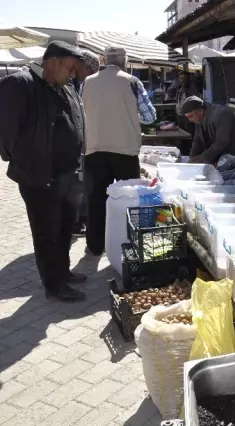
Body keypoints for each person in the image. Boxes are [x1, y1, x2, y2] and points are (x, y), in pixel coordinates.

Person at [0, 41, 89, 302]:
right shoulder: (20, 84)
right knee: (46, 233)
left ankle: (63, 272)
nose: (72, 75)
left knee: (64, 228)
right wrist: (24, 162)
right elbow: (5, 132)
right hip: (39, 178)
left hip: (67, 175)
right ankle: (53, 285)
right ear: (53, 63)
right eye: (70, 68)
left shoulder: (64, 86)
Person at [82, 46, 156, 256]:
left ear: (104, 60)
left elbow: (80, 113)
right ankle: (128, 244)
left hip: (94, 149)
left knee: (95, 199)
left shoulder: (87, 82)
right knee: (129, 199)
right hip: (125, 151)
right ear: (124, 62)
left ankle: (96, 246)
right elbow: (149, 117)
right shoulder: (132, 81)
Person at [181, 96, 235, 181]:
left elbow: (221, 142)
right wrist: (191, 159)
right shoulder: (199, 117)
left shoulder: (221, 114)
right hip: (229, 156)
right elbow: (198, 140)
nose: (190, 120)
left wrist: (202, 158)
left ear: (198, 111)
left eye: (190, 116)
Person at [71, 50, 100, 237]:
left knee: (83, 180)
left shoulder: (80, 82)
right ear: (84, 67)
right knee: (78, 181)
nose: (90, 75)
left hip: (83, 139)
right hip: (75, 142)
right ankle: (77, 221)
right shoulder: (71, 82)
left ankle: (81, 218)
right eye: (90, 71)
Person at [175, 71, 197, 155]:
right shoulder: (179, 88)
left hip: (188, 115)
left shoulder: (191, 89)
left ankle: (190, 153)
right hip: (179, 115)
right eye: (180, 78)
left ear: (188, 79)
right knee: (180, 136)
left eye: (184, 78)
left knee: (189, 135)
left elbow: (194, 100)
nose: (182, 80)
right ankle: (183, 152)